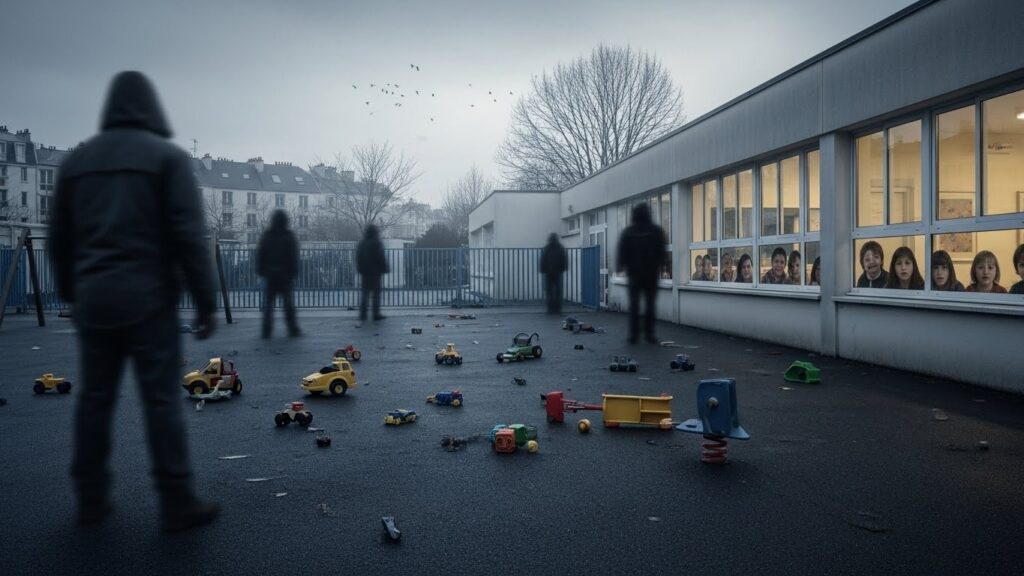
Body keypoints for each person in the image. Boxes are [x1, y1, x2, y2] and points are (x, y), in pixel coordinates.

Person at [49, 71, 220, 532]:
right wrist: (205, 302)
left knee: (94, 399)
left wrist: (73, 290)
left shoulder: (76, 163)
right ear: (151, 109)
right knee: (161, 400)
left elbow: (59, 239)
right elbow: (188, 235)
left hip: (94, 297)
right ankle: (176, 499)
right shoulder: (167, 160)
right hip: (149, 299)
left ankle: (90, 499)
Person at [615, 203, 667, 344]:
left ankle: (634, 334)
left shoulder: (629, 232)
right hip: (651, 274)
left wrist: (619, 266)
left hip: (634, 274)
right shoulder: (656, 231)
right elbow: (662, 250)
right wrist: (665, 266)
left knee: (634, 305)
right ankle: (649, 334)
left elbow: (622, 251)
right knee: (650, 304)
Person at [257, 209, 301, 338]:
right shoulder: (289, 236)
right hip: (285, 275)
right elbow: (293, 256)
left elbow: (261, 254)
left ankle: (266, 330)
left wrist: (261, 270)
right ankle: (292, 329)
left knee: (268, 305)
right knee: (288, 304)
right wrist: (294, 272)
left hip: (270, 275)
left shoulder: (267, 235)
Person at [356, 223, 390, 322]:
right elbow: (380, 257)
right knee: (376, 294)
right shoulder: (376, 242)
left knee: (365, 294)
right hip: (375, 272)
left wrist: (360, 268)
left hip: (365, 273)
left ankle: (363, 314)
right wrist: (385, 268)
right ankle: (376, 314)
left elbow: (358, 257)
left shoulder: (362, 243)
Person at [539, 232, 568, 314]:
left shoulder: (547, 248)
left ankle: (550, 309)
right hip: (558, 272)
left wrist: (543, 270)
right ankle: (558, 309)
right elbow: (564, 260)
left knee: (549, 291)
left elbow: (543, 260)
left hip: (548, 273)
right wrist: (563, 269)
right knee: (558, 292)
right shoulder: (560, 248)